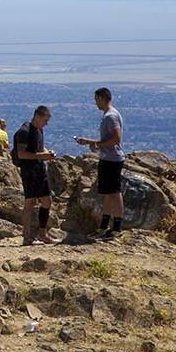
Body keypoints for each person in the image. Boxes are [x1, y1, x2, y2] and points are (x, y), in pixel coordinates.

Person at [75, 87, 124, 241]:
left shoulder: (110, 116)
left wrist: (98, 144)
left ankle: (116, 228)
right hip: (107, 158)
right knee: (108, 193)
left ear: (102, 98)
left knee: (115, 193)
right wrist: (91, 142)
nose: (95, 103)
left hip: (112, 160)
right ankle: (104, 227)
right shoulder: (109, 115)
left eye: (97, 99)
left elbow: (116, 139)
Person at [13, 106, 57, 246]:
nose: (46, 123)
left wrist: (47, 153)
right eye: (45, 120)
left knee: (47, 201)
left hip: (39, 169)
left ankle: (42, 233)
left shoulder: (39, 130)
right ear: (37, 117)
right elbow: (21, 154)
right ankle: (27, 237)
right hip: (29, 170)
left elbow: (39, 148)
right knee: (30, 202)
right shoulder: (24, 132)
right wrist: (42, 155)